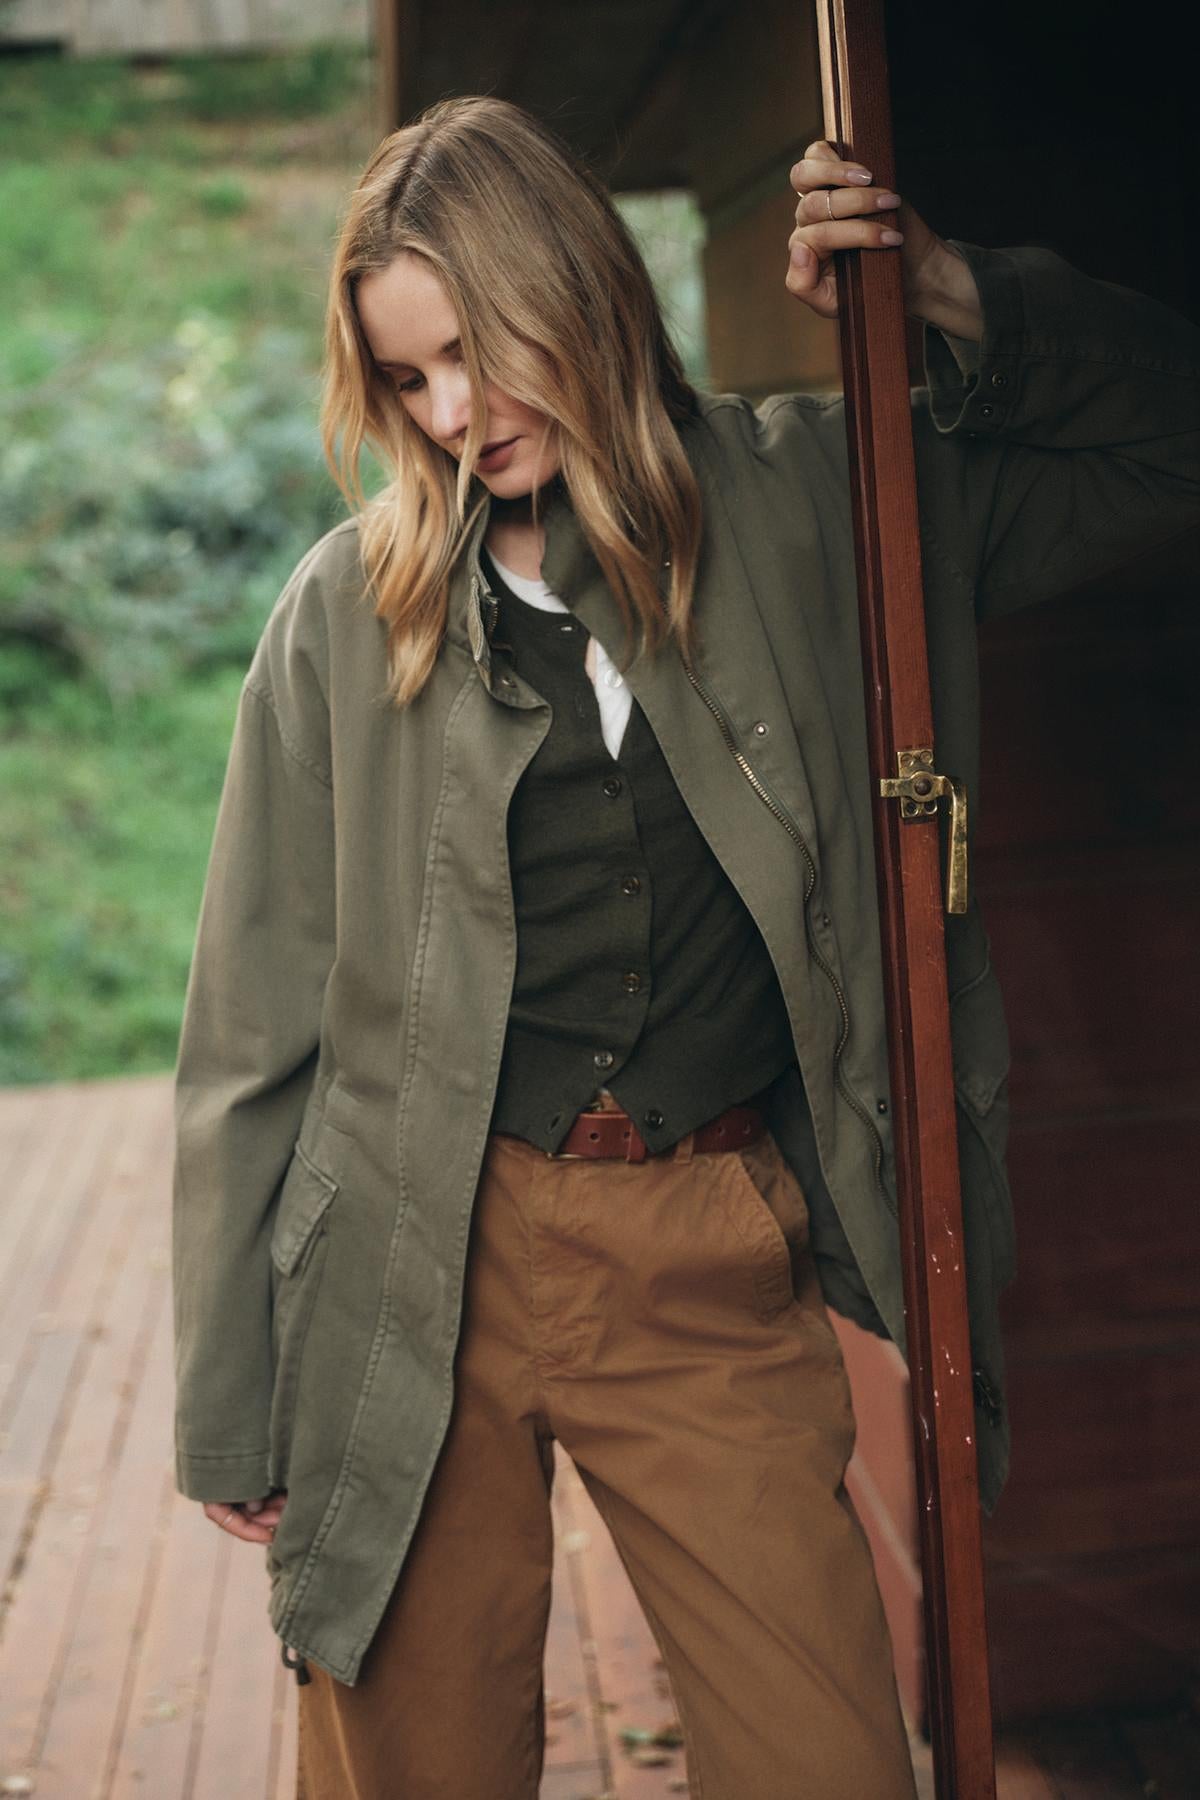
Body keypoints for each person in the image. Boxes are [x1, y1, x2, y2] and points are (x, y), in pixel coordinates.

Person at [170, 96, 1198, 1799]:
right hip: (424, 1256)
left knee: (829, 1760)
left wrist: (950, 290)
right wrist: (231, 1390)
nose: (450, 415)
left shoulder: (823, 504)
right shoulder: (347, 617)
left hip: (709, 1247)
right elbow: (250, 1019)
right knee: (409, 1767)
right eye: (408, 381)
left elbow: (1169, 446)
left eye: (474, 356)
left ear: (572, 283)